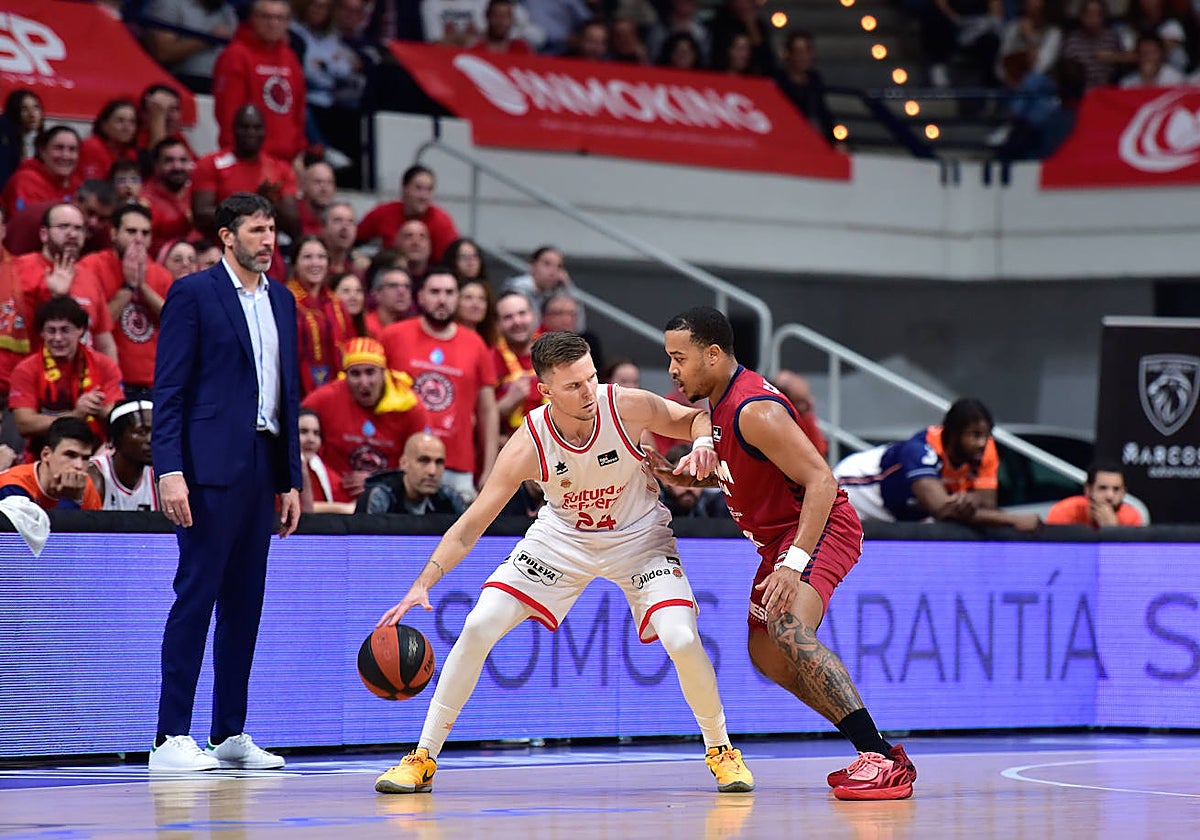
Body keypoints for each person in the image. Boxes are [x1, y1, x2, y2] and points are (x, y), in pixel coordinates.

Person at [372, 330, 755, 796]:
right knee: (478, 625)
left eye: (591, 378)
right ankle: (423, 757)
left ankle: (721, 750)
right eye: (574, 386)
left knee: (680, 635)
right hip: (562, 539)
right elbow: (472, 523)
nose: (589, 392)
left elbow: (695, 417)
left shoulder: (624, 404)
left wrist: (701, 444)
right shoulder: (528, 442)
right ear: (546, 390)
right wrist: (423, 582)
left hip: (638, 537)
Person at [662, 306, 917, 801]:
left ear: (713, 355)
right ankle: (878, 747)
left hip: (818, 528)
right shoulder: (718, 404)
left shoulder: (754, 410)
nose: (672, 369)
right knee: (767, 656)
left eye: (679, 358)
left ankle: (880, 758)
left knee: (789, 629)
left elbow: (822, 480)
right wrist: (678, 475)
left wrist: (795, 561)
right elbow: (749, 472)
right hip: (779, 539)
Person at [149, 191, 302, 772]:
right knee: (197, 596)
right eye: (257, 230)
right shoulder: (193, 293)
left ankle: (230, 732)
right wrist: (170, 469)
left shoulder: (283, 301)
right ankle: (170, 737)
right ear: (227, 237)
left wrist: (290, 478)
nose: (268, 240)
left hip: (263, 466)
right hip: (207, 469)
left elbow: (286, 394)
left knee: (245, 605)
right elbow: (170, 391)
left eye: (272, 231)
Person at [380, 268, 499, 502]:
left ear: (457, 299)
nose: (442, 299)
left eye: (449, 292)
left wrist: (490, 468)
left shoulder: (475, 343)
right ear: (421, 296)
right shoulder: (393, 336)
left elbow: (488, 410)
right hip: (400, 461)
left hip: (457, 465)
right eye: (434, 292)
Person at [833, 398, 1041, 531]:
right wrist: (1013, 520)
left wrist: (968, 500)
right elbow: (942, 509)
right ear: (952, 435)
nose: (982, 443)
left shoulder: (986, 451)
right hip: (857, 489)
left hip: (901, 511)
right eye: (975, 435)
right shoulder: (921, 450)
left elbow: (987, 504)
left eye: (986, 436)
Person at [301, 336, 430, 501]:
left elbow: (422, 462)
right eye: (355, 373)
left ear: (384, 373)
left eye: (370, 372)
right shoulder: (324, 398)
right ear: (345, 376)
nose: (364, 382)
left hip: (390, 498)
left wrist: (378, 481)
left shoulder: (410, 406)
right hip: (333, 498)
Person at [79, 203, 174, 400]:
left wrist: (143, 287)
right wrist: (128, 288)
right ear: (113, 233)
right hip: (108, 380)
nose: (138, 239)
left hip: (155, 383)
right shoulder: (91, 267)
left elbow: (175, 323)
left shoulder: (161, 274)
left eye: (145, 233)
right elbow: (92, 326)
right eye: (131, 231)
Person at [9, 295, 124, 456]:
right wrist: (76, 415)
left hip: (96, 452)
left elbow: (118, 419)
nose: (57, 338)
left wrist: (97, 409)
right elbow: (25, 424)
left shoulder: (105, 365)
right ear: (41, 333)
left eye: (65, 330)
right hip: (42, 455)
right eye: (51, 330)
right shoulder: (26, 369)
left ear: (81, 330)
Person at [11, 203, 118, 361]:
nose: (73, 234)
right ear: (44, 234)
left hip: (83, 379)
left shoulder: (89, 277)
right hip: (34, 377)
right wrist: (52, 295)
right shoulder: (19, 270)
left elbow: (105, 343)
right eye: (63, 227)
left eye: (78, 228)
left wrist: (113, 384)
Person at [213, 0, 308, 164]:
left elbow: (298, 110)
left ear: (287, 22)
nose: (273, 23)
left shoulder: (290, 58)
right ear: (253, 18)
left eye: (280, 18)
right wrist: (236, 154)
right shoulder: (235, 56)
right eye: (266, 17)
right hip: (247, 159)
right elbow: (228, 112)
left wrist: (299, 152)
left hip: (286, 162)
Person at [191, 105, 301, 243]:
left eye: (257, 128)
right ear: (234, 130)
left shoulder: (280, 169)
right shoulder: (210, 164)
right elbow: (201, 216)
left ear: (264, 131)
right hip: (219, 247)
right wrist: (254, 205)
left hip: (264, 251)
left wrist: (270, 202)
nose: (251, 133)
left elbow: (293, 223)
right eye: (245, 127)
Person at [357, 165, 460, 265]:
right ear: (404, 188)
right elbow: (356, 238)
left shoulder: (441, 221)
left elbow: (453, 262)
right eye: (418, 188)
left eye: (429, 190)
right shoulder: (383, 212)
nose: (424, 196)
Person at [288, 235, 352, 395]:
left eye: (321, 257)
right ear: (295, 264)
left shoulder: (335, 303)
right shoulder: (284, 300)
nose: (315, 263)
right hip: (296, 389)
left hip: (336, 388)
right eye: (307, 257)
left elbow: (349, 342)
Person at [0, 415, 101, 511]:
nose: (79, 466)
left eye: (85, 458)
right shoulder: (12, 485)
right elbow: (34, 528)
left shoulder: (84, 485)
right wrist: (70, 499)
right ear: (46, 454)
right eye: (70, 455)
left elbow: (95, 529)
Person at [354, 431, 466, 515]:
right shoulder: (380, 497)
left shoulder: (449, 499)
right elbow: (365, 544)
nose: (432, 471)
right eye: (423, 460)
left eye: (439, 462)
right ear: (404, 463)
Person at [142, 0, 239, 93]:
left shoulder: (228, 11)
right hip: (180, 82)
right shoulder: (170, 3)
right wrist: (207, 38)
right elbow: (162, 53)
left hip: (221, 85)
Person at [88, 399, 158, 511]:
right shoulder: (94, 475)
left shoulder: (159, 479)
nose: (151, 440)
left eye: (154, 432)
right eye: (142, 432)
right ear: (116, 437)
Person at [1, 126, 82, 222]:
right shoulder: (25, 181)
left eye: (72, 149)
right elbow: (27, 224)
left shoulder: (78, 186)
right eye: (58, 148)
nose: (65, 155)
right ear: (42, 151)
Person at [492, 291, 545, 439]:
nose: (517, 321)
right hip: (509, 448)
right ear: (497, 324)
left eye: (522, 313)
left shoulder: (554, 352)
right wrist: (505, 405)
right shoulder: (488, 358)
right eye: (508, 317)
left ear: (533, 315)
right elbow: (475, 421)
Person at [774, 30, 835, 145]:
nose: (803, 56)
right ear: (788, 53)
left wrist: (835, 140)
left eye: (807, 51)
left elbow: (823, 113)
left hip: (813, 140)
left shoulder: (815, 79)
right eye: (798, 51)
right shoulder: (777, 80)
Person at [1045, 461, 1144, 527]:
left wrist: (1112, 531)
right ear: (1088, 490)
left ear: (1124, 492)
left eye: (1116, 489)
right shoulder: (1063, 512)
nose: (1110, 496)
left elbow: (1129, 557)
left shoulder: (1131, 516)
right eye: (1102, 488)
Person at [143, 138, 196, 257]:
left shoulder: (198, 192)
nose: (177, 167)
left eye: (183, 160)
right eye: (169, 161)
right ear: (156, 165)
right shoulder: (145, 200)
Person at [298, 406, 352, 512]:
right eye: (303, 432)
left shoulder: (322, 470)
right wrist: (341, 509)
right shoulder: (275, 469)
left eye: (316, 433)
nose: (311, 439)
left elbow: (349, 502)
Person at [78, 99, 139, 183]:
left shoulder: (130, 154)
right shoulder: (91, 147)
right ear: (104, 125)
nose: (127, 127)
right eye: (120, 121)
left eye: (132, 122)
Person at [771, 369, 828, 459]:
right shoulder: (776, 428)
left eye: (809, 396)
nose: (812, 402)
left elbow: (820, 452)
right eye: (802, 401)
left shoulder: (806, 418)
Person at [364, 260, 413, 337]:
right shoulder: (365, 328)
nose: (402, 291)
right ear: (377, 294)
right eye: (393, 286)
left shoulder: (415, 327)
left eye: (407, 286)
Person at [456, 277, 499, 347]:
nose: (476, 304)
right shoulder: (446, 337)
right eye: (468, 297)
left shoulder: (495, 342)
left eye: (482, 298)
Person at [298, 161, 337, 236]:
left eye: (329, 182)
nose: (324, 188)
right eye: (318, 182)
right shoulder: (291, 216)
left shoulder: (336, 217)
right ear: (304, 185)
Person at [329, 270, 368, 338]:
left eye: (358, 290)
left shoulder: (367, 330)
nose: (354, 296)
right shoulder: (326, 331)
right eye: (346, 291)